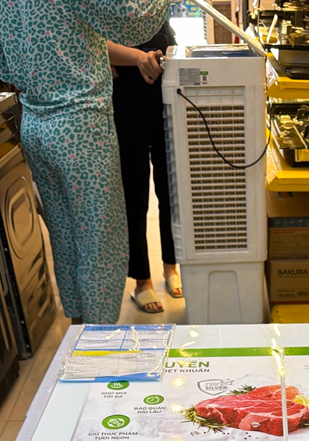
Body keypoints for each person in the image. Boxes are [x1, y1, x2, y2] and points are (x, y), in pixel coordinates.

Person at [0, 0, 169, 325]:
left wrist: (43, 70)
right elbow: (135, 20)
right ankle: (97, 341)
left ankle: (79, 327)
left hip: (35, 121)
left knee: (64, 235)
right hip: (80, 123)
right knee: (99, 244)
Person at [108, 21, 182, 315]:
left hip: (163, 87)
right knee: (134, 189)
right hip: (124, 92)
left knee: (171, 184)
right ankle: (141, 280)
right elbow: (93, 39)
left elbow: (166, 30)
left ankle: (171, 265)